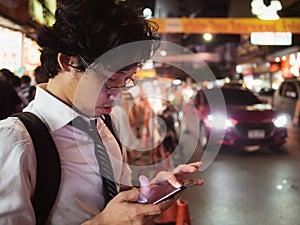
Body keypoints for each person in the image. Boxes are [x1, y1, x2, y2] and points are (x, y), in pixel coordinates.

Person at [0, 1, 203, 225]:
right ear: (68, 62)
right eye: (109, 82)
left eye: (125, 82)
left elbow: (114, 198)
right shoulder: (14, 141)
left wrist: (147, 197)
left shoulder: (103, 123)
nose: (116, 96)